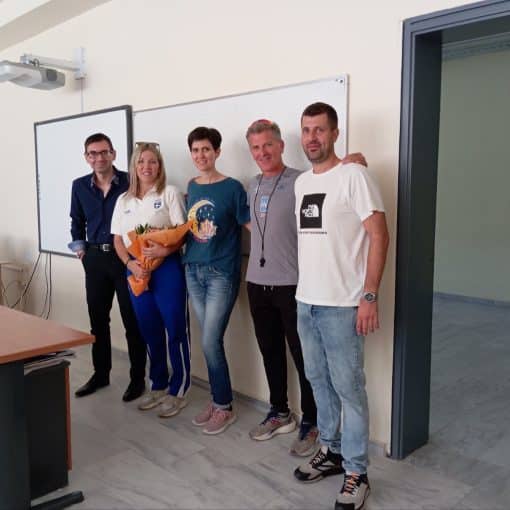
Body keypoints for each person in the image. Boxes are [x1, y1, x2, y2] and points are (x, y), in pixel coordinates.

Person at [245, 119, 367, 457]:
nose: (262, 152)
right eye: (255, 148)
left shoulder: (301, 180)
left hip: (294, 285)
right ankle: (279, 412)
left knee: (306, 361)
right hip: (256, 282)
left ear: (281, 146)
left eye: (268, 145)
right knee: (270, 352)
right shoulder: (252, 185)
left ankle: (312, 421)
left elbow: (329, 178)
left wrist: (351, 161)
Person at [293, 103, 389, 510]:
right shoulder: (301, 183)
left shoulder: (355, 176)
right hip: (306, 302)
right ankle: (331, 451)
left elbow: (379, 235)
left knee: (349, 389)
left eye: (320, 130)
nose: (312, 137)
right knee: (318, 380)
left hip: (343, 306)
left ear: (334, 133)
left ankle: (357, 472)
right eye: (306, 130)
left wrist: (369, 295)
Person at [110, 142, 191, 418]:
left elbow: (182, 232)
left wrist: (165, 250)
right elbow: (118, 240)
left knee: (175, 327)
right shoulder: (124, 200)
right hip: (137, 271)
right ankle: (158, 384)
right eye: (141, 162)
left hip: (167, 269)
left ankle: (179, 389)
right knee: (149, 329)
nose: (147, 166)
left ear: (160, 165)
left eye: (152, 161)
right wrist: (130, 264)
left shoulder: (169, 193)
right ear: (134, 166)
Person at [69, 133, 146, 402]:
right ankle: (100, 374)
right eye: (93, 153)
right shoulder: (79, 186)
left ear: (113, 154)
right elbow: (76, 220)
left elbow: (143, 214)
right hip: (95, 259)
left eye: (104, 152)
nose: (98, 158)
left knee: (132, 320)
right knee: (98, 321)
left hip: (124, 258)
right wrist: (81, 250)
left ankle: (137, 379)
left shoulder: (130, 181)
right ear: (86, 157)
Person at [183, 126, 250, 435]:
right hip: (192, 271)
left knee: (211, 341)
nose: (201, 155)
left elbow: (249, 225)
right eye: (196, 150)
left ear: (217, 152)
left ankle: (224, 406)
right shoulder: (192, 186)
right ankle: (217, 400)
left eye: (206, 149)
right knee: (209, 342)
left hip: (221, 273)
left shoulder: (233, 187)